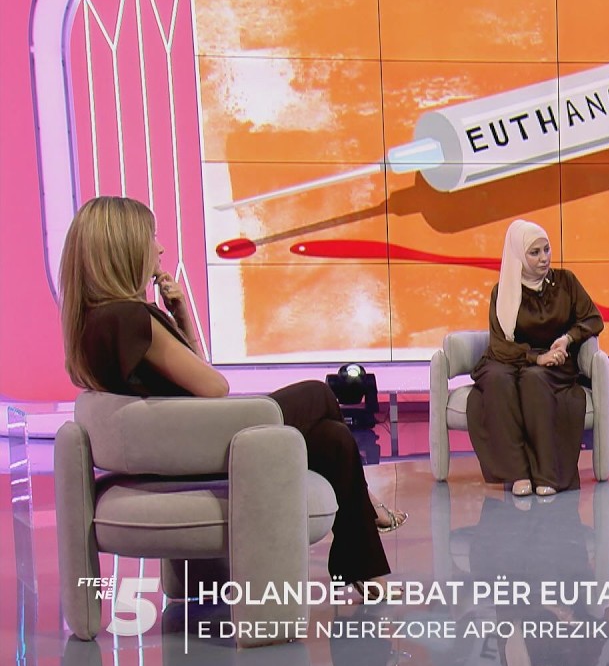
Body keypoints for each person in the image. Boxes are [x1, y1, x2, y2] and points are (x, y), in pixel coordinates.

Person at [59, 196, 405, 596]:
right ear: (126, 249)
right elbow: (213, 388)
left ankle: (363, 571)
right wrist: (179, 325)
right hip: (197, 449)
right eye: (152, 237)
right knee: (317, 394)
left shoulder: (97, 322)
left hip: (175, 446)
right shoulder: (131, 318)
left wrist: (180, 317)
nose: (160, 248)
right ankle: (366, 504)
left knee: (334, 439)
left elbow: (193, 386)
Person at [467, 219, 604, 496]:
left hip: (555, 361)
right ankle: (517, 474)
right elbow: (499, 346)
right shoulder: (503, 291)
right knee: (496, 380)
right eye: (534, 252)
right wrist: (534, 357)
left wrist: (568, 339)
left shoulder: (566, 282)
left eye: (546, 249)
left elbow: (593, 319)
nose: (544, 258)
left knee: (534, 380)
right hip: (512, 358)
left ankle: (547, 475)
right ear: (519, 255)